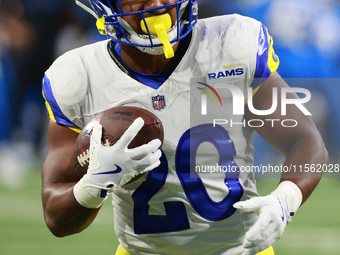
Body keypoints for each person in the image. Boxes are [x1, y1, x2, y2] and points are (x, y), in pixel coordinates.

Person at [41, 1, 328, 255]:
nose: (158, 3)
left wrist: (285, 198)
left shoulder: (232, 44)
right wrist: (94, 184)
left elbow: (306, 141)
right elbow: (56, 218)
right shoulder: (79, 77)